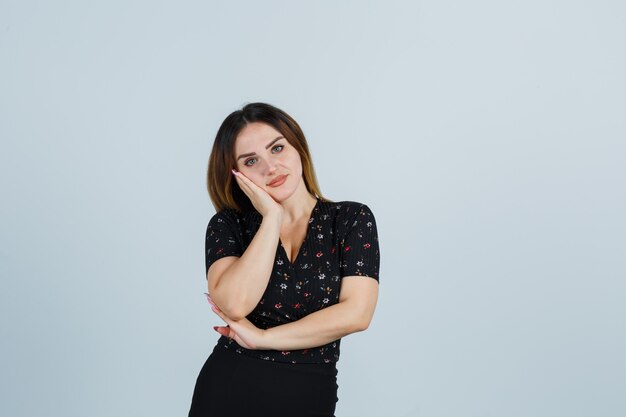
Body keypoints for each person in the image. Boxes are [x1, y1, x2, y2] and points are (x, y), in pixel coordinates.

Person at [188, 102, 380, 417]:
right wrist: (272, 218)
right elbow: (235, 304)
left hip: (308, 393)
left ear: (298, 147)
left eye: (277, 148)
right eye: (251, 161)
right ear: (237, 175)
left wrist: (263, 338)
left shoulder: (350, 219)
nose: (270, 168)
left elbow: (357, 314)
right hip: (228, 389)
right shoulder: (228, 225)